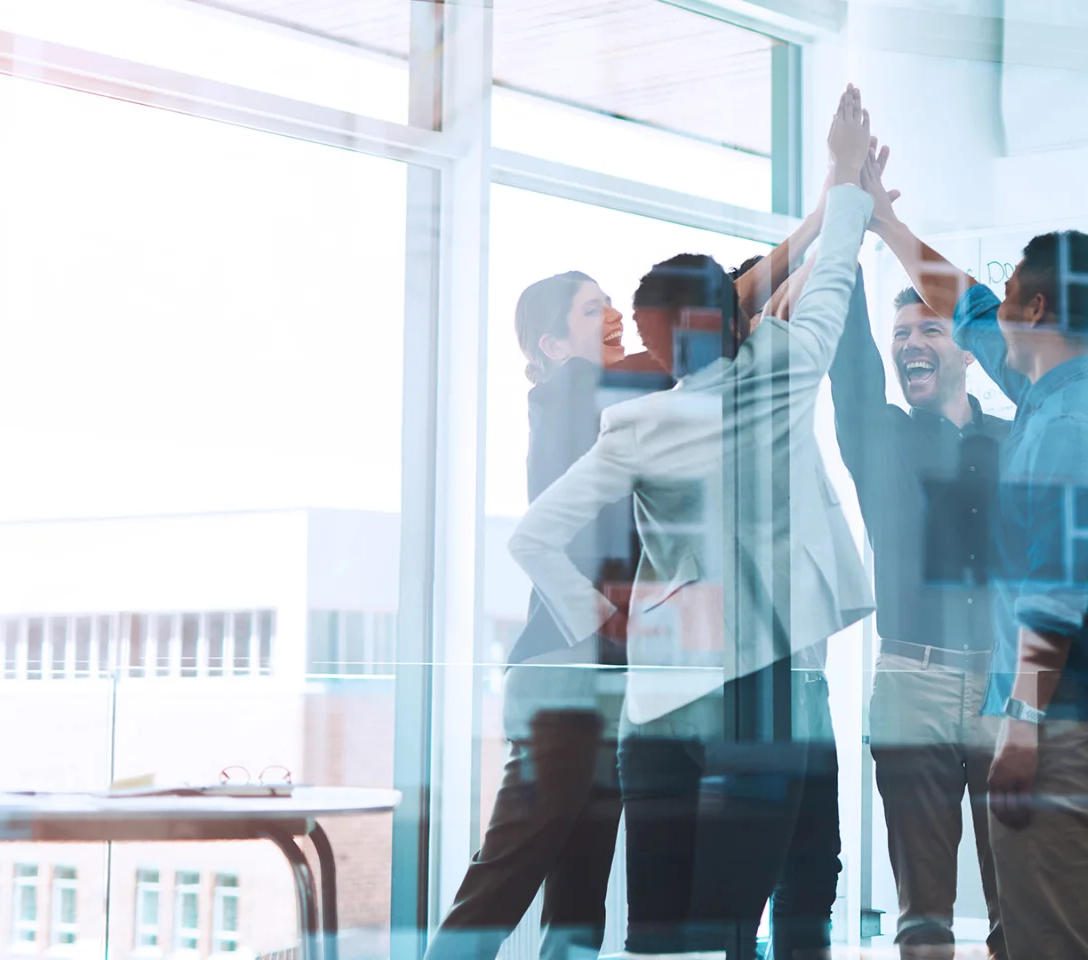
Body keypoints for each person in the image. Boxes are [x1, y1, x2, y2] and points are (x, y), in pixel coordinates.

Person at [509, 85, 878, 960]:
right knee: (735, 923)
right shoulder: (787, 369)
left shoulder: (634, 421)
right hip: (761, 695)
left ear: (658, 340)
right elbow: (831, 276)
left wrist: (608, 619)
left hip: (660, 701)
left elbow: (531, 537)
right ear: (736, 324)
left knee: (659, 938)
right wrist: (846, 187)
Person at [859, 147, 1088, 960]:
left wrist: (1021, 723)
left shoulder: (1065, 423)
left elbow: (1059, 586)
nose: (989, 316)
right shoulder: (1065, 393)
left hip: (1064, 718)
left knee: (1049, 942)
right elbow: (966, 302)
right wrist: (885, 220)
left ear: (1031, 309)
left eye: (1009, 298)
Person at [426, 271, 657, 960]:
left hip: (605, 676)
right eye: (594, 310)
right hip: (563, 674)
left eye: (611, 303)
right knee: (509, 870)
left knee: (581, 890)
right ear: (553, 346)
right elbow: (680, 358)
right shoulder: (569, 394)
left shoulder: (604, 404)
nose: (613, 316)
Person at [828, 267, 1009, 957]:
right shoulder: (883, 441)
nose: (911, 344)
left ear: (968, 350)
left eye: (930, 329)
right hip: (912, 685)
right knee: (923, 916)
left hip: (1005, 692)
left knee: (1021, 906)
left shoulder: (1019, 440)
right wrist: (850, 226)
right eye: (900, 333)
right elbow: (849, 370)